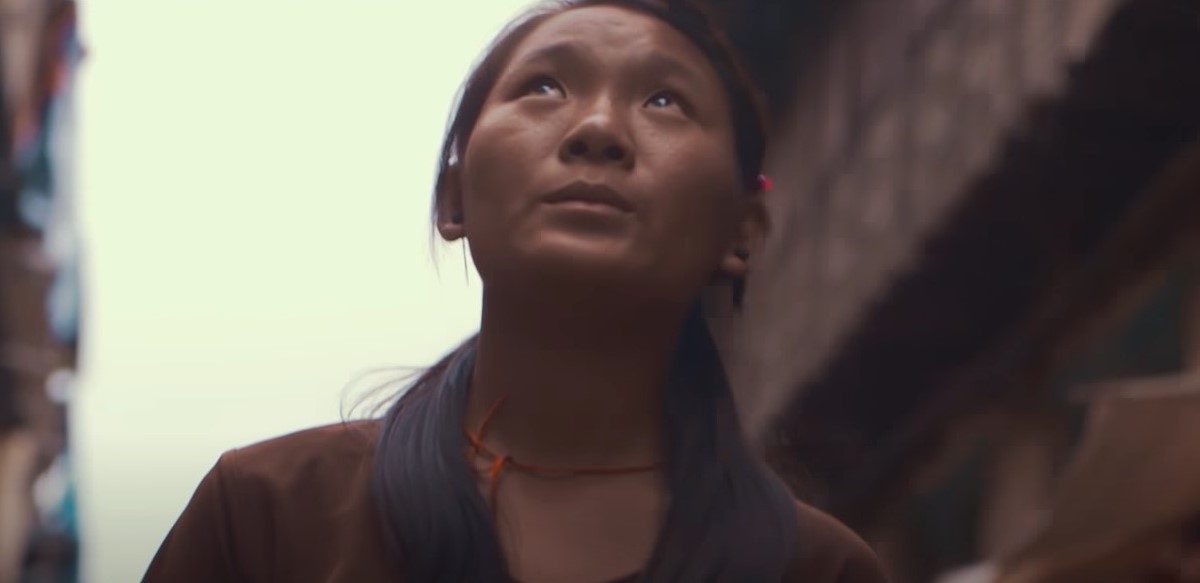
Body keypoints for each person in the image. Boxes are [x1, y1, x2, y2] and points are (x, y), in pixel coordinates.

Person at [143, 1, 889, 581]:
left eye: (664, 101)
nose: (597, 130)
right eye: (544, 86)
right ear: (454, 199)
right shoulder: (268, 516)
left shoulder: (819, 569)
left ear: (742, 231)